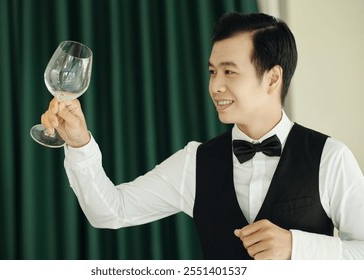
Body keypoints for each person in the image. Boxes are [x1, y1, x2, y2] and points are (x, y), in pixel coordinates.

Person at [40, 12, 364, 260]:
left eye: (229, 71)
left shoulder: (330, 157)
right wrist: (79, 143)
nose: (215, 86)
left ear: (272, 78)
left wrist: (298, 247)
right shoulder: (195, 162)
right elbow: (110, 211)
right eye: (212, 71)